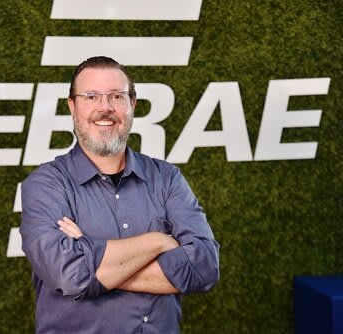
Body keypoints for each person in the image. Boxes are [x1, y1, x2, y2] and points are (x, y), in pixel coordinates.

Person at [20, 56, 219, 334]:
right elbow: (68, 274)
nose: (105, 108)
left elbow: (204, 268)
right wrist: (159, 241)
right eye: (91, 96)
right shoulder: (46, 185)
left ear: (132, 105)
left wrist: (91, 254)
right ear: (72, 106)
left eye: (116, 96)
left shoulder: (166, 178)